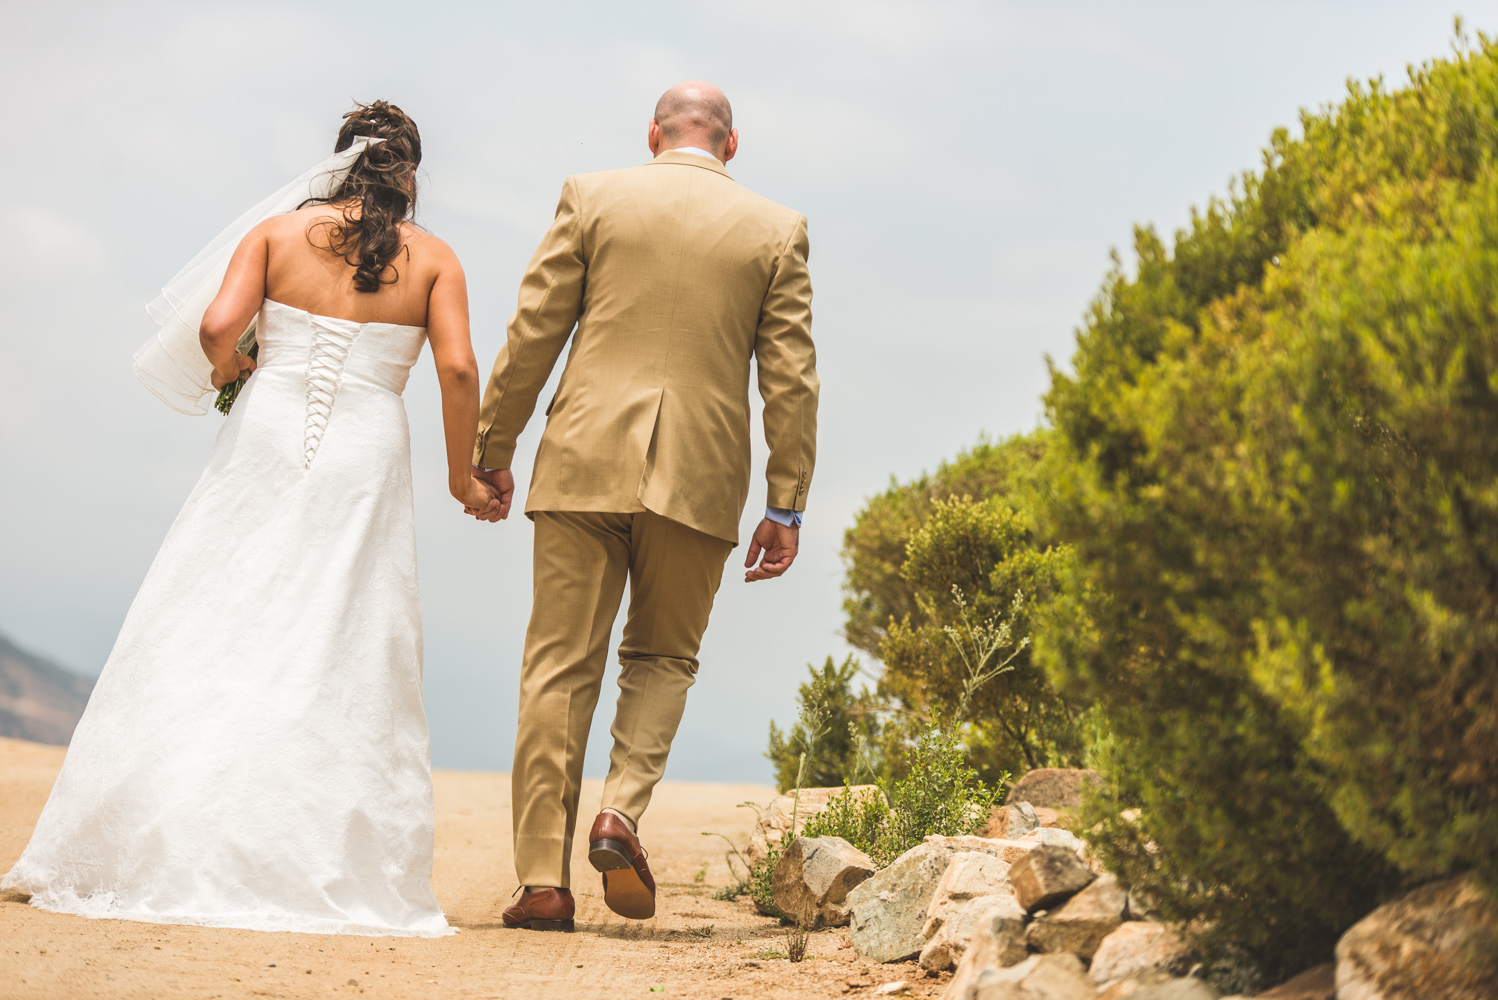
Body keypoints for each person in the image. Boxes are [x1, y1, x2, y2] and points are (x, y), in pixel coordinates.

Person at [1, 101, 498, 936]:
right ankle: (312, 855)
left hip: (268, 431)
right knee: (340, 633)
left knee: (213, 610)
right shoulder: (437, 258)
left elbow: (216, 325)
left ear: (341, 169)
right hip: (366, 448)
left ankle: (146, 835)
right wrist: (463, 477)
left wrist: (240, 368)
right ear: (410, 180)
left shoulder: (275, 234)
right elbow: (454, 368)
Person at [472, 80, 819, 932]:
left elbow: (534, 331)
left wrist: (493, 446)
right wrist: (787, 503)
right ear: (731, 146)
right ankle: (620, 812)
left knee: (559, 666)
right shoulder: (777, 231)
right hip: (700, 477)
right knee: (663, 658)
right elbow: (791, 380)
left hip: (584, 458)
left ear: (654, 134)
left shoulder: (593, 196)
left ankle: (542, 884)